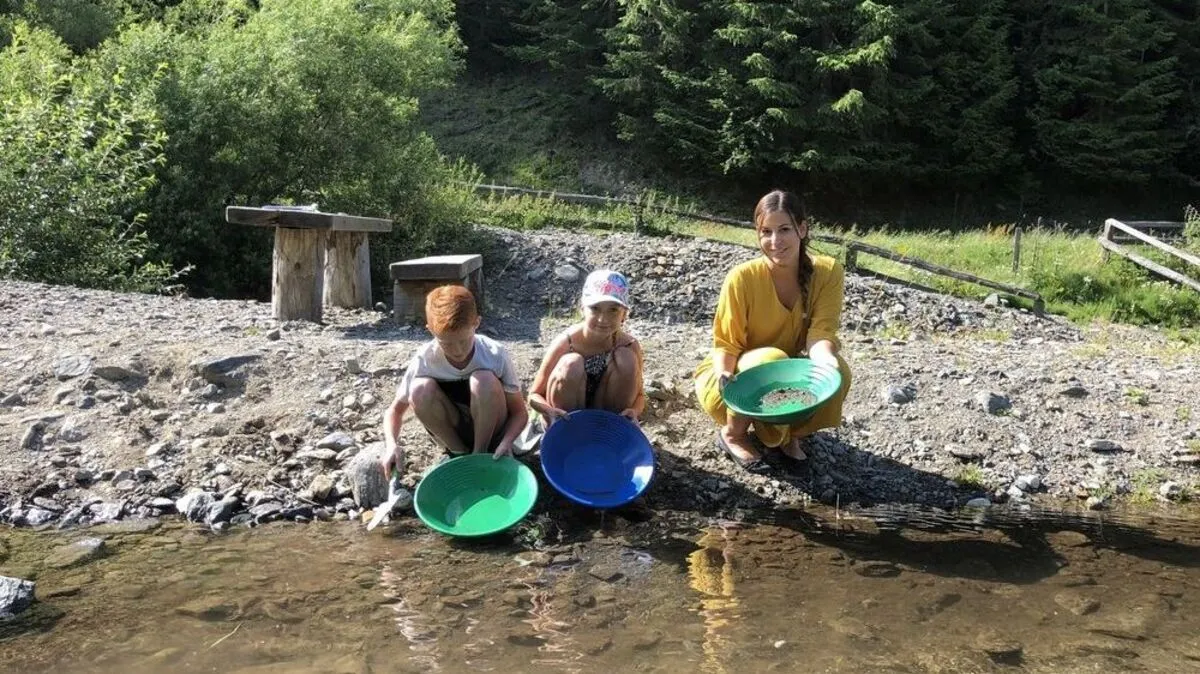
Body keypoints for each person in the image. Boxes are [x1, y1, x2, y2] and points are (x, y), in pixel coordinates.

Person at [694, 189, 852, 473]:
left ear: (802, 229)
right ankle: (733, 434)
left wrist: (827, 367)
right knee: (770, 358)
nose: (775, 241)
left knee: (839, 369)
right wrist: (725, 376)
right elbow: (726, 345)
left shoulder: (828, 273)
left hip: (782, 382)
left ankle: (791, 436)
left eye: (784, 230)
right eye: (766, 232)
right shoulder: (741, 277)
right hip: (733, 386)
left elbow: (820, 334)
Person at [380, 285, 528, 477]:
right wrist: (391, 444)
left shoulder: (494, 354)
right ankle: (458, 455)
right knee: (419, 389)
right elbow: (395, 411)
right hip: (454, 430)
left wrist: (507, 442)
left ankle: (480, 454)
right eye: (446, 343)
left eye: (464, 340)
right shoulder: (424, 359)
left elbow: (519, 412)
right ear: (430, 331)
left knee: (483, 380)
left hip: (493, 430)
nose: (457, 351)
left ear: (477, 323)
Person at [527, 269, 646, 427]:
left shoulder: (629, 344)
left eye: (613, 310)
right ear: (582, 309)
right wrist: (548, 411)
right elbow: (533, 395)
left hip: (605, 411)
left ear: (624, 314)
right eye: (595, 308)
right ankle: (565, 431)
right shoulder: (566, 342)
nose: (603, 319)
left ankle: (609, 429)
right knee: (571, 363)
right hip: (564, 415)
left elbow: (639, 395)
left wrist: (634, 412)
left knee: (627, 358)